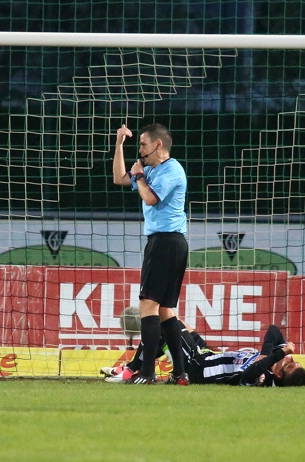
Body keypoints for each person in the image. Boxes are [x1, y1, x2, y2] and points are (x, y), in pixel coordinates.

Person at [113, 123, 189, 385]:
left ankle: (146, 373)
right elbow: (119, 178)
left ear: (158, 145)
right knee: (166, 310)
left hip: (165, 243)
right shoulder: (152, 170)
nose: (140, 149)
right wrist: (119, 144)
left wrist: (141, 177)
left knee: (149, 304)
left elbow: (151, 199)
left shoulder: (171, 170)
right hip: (170, 243)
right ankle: (180, 374)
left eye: (143, 144)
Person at [102, 323, 305, 387]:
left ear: (279, 375)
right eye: (294, 359)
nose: (289, 358)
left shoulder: (264, 378)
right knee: (174, 320)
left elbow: (248, 374)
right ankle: (132, 368)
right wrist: (267, 353)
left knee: (165, 325)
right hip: (207, 354)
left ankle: (130, 370)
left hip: (197, 366)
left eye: (290, 364)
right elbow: (273, 330)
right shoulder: (271, 359)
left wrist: (278, 353)